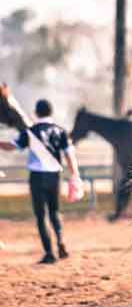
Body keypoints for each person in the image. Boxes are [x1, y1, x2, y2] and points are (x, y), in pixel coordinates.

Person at [0, 99, 82, 264]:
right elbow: (69, 156)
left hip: (37, 177)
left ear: (37, 113)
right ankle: (60, 242)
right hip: (54, 177)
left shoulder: (31, 131)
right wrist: (75, 175)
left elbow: (11, 146)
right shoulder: (61, 131)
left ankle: (49, 253)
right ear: (50, 112)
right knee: (55, 212)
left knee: (41, 215)